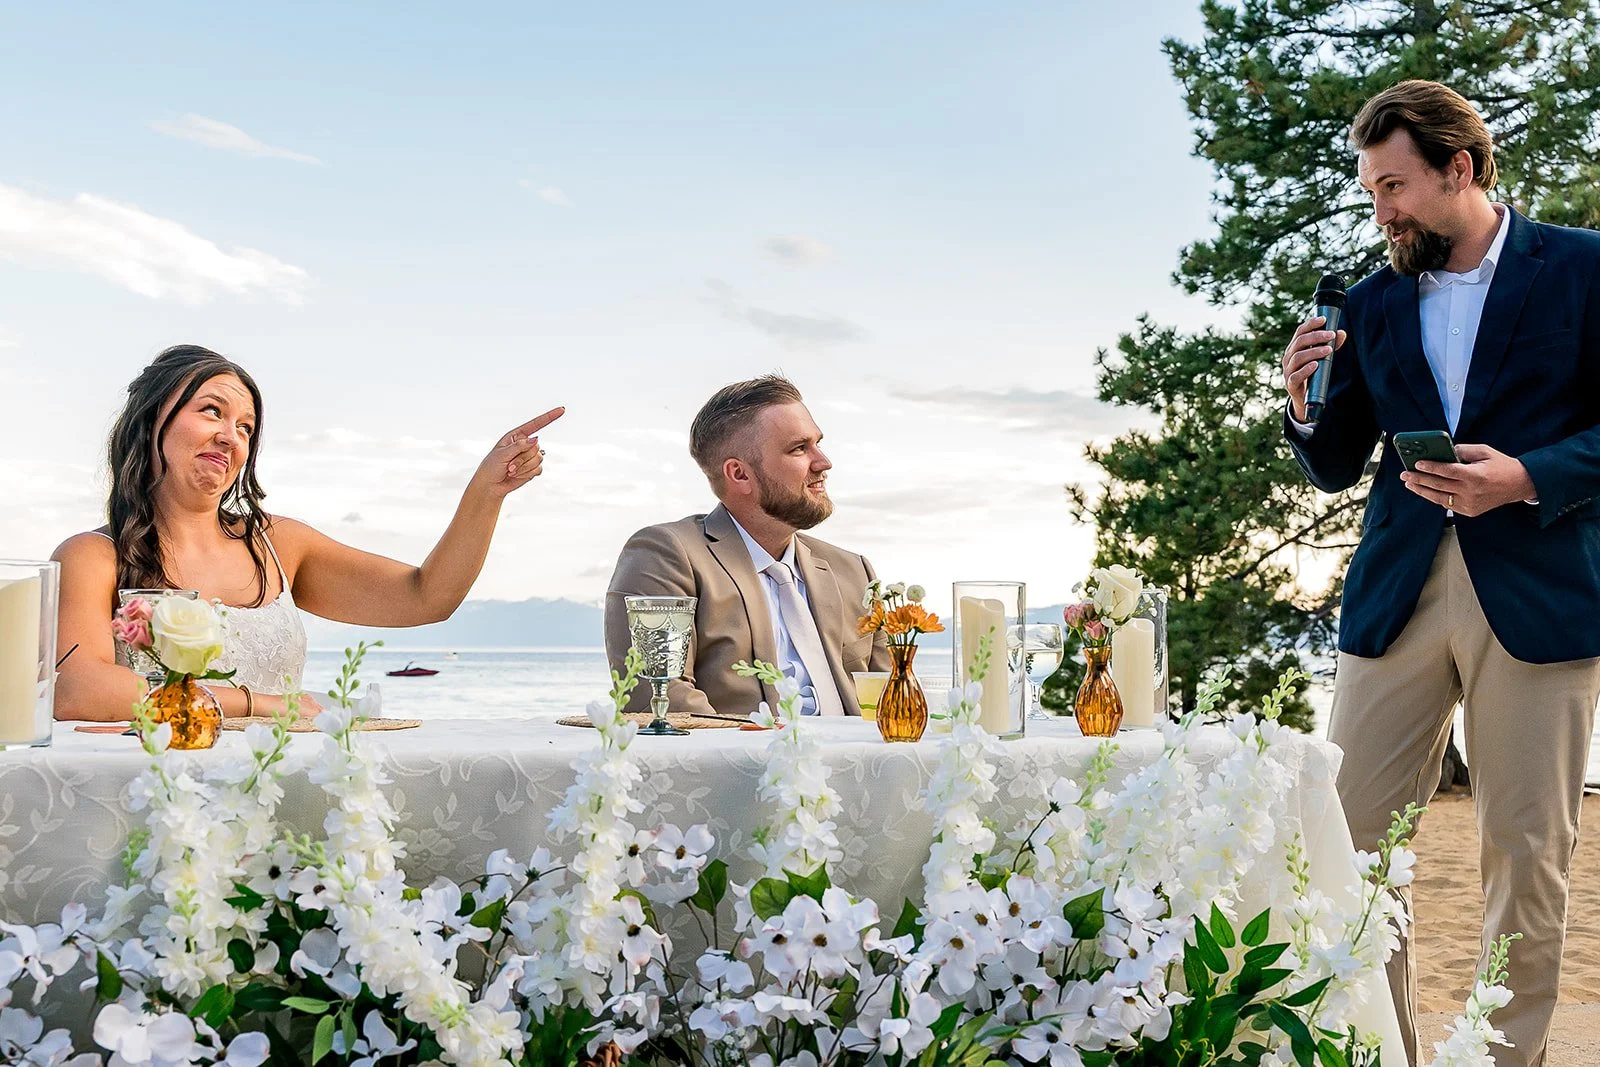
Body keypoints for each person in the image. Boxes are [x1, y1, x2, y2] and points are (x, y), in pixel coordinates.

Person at [1282, 81, 1600, 1067]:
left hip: (1542, 591)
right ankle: (1387, 1050)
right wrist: (1301, 403)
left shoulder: (1584, 270)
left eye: (1395, 185)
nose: (1381, 211)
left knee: (1525, 852)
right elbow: (1333, 460)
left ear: (1460, 168)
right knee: (1354, 845)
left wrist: (1527, 476)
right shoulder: (1374, 299)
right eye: (1371, 190)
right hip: (1395, 597)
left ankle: (1508, 1059)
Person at [53, 344, 562, 721]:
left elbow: (426, 597)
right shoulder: (94, 557)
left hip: (281, 788)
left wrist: (485, 494)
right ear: (150, 422)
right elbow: (77, 689)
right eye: (212, 411)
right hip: (155, 794)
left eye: (247, 427)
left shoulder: (278, 546)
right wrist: (258, 705)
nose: (231, 436)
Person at [605, 375, 889, 716]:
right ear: (739, 474)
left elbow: (891, 694)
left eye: (817, 443)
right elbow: (661, 698)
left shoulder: (854, 571)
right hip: (747, 765)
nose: (823, 462)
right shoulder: (666, 554)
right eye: (799, 448)